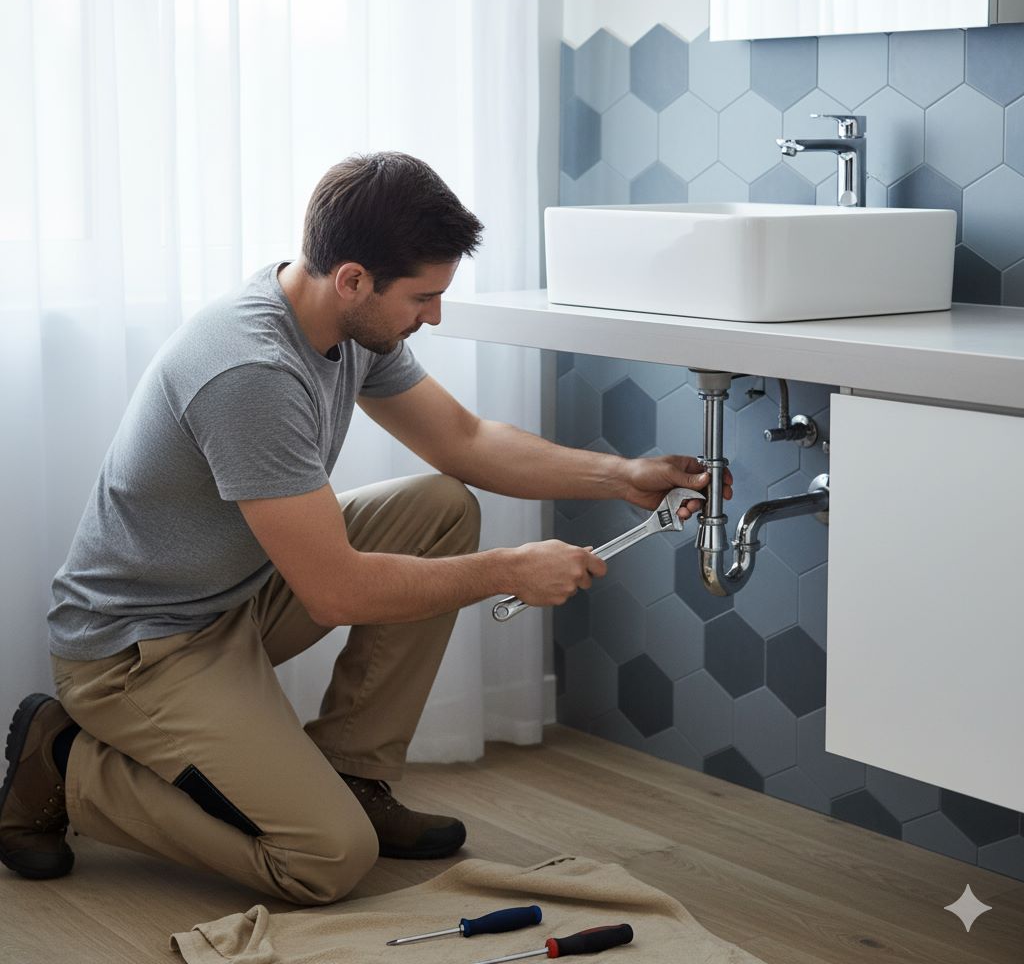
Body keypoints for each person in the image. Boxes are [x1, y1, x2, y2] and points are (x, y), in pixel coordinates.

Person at [0, 152, 730, 905]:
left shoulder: (341, 323)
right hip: (140, 649)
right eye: (424, 297)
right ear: (354, 279)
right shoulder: (250, 369)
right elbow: (337, 592)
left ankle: (356, 777)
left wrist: (621, 476)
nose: (434, 316)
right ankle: (69, 768)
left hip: (236, 596)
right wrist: (511, 570)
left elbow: (465, 441)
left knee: (441, 506)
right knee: (324, 861)